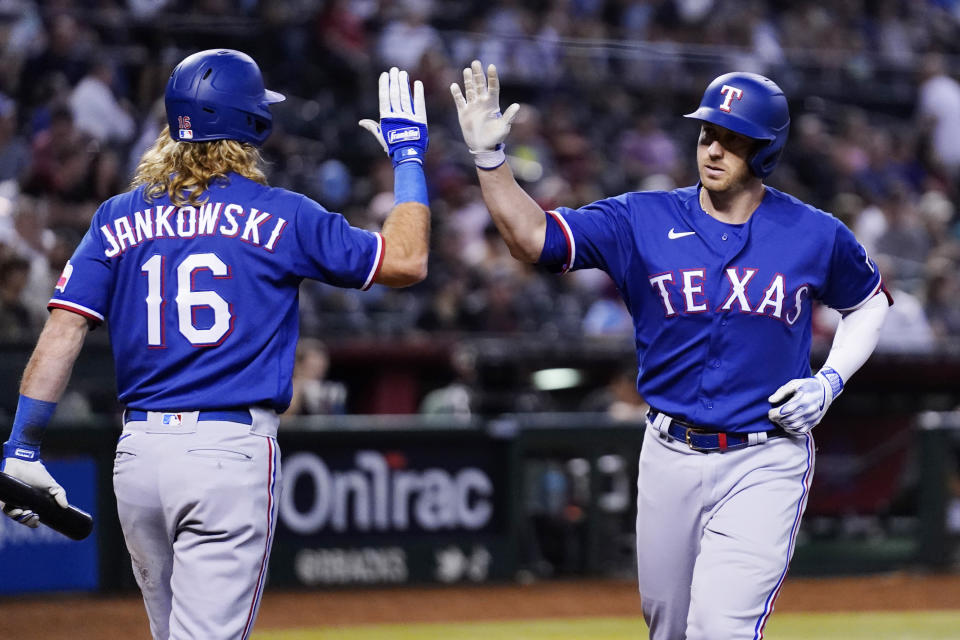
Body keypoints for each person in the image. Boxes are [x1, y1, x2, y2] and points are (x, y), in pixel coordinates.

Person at [451, 61, 891, 639]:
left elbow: (870, 302)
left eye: (734, 141)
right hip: (668, 452)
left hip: (765, 457)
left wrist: (829, 381)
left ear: (765, 152)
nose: (713, 149)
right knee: (669, 629)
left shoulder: (814, 231)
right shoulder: (642, 217)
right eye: (708, 133)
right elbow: (534, 239)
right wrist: (490, 162)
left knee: (720, 628)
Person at [0, 49, 431, 639]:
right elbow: (406, 260)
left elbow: (63, 329)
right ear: (253, 126)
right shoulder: (284, 215)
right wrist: (407, 160)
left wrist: (23, 448)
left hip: (139, 457)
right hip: (227, 453)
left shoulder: (115, 217)